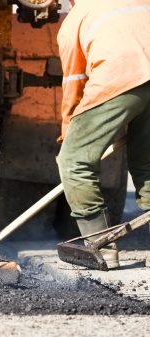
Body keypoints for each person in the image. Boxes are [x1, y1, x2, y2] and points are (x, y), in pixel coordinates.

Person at [56, 0, 150, 269]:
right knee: (147, 165)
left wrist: (69, 135)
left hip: (121, 77)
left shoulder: (76, 19)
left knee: (74, 162)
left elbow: (74, 84)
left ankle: (102, 246)